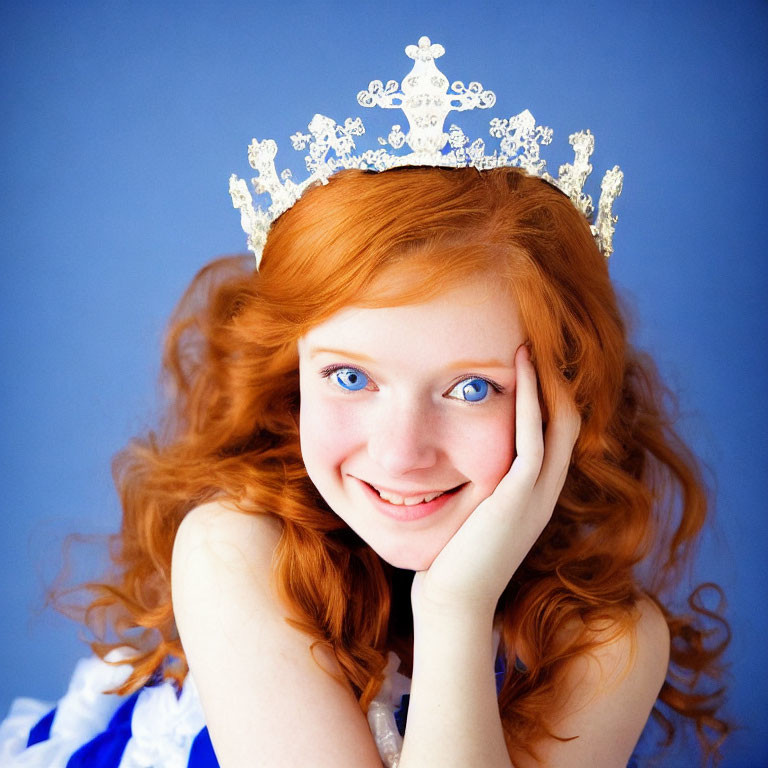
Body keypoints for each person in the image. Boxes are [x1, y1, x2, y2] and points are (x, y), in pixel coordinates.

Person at [0, 38, 728, 768]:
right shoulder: (235, 551)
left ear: (562, 403)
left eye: (471, 388)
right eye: (351, 377)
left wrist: (455, 612)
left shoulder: (609, 645)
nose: (400, 453)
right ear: (292, 377)